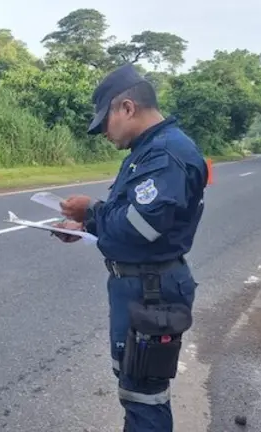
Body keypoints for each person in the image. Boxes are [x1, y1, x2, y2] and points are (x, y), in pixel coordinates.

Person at [52, 64, 208, 432]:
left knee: (144, 397)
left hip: (151, 292)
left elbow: (142, 227)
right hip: (140, 288)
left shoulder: (165, 154)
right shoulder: (150, 149)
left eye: (104, 122)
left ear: (127, 107)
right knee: (135, 389)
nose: (103, 133)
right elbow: (133, 218)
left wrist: (91, 210)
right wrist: (86, 227)